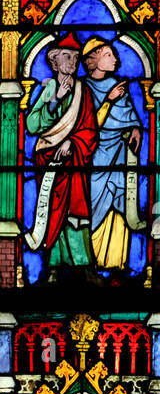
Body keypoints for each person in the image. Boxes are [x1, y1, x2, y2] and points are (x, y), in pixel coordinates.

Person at [23, 34, 100, 283]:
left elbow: (90, 129)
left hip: (75, 161)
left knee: (77, 211)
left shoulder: (83, 91)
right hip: (49, 162)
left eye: (76, 57)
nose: (73, 62)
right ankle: (53, 267)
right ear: (54, 61)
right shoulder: (47, 90)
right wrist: (54, 100)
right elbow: (32, 125)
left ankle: (84, 266)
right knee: (53, 211)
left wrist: (72, 142)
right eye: (67, 56)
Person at [81, 38, 145, 277]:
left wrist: (137, 128)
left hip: (118, 154)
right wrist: (108, 100)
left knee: (118, 205)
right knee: (93, 207)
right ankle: (91, 261)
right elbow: (85, 125)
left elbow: (129, 115)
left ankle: (115, 264)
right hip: (93, 157)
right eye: (109, 54)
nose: (115, 59)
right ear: (94, 60)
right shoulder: (83, 89)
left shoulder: (119, 86)